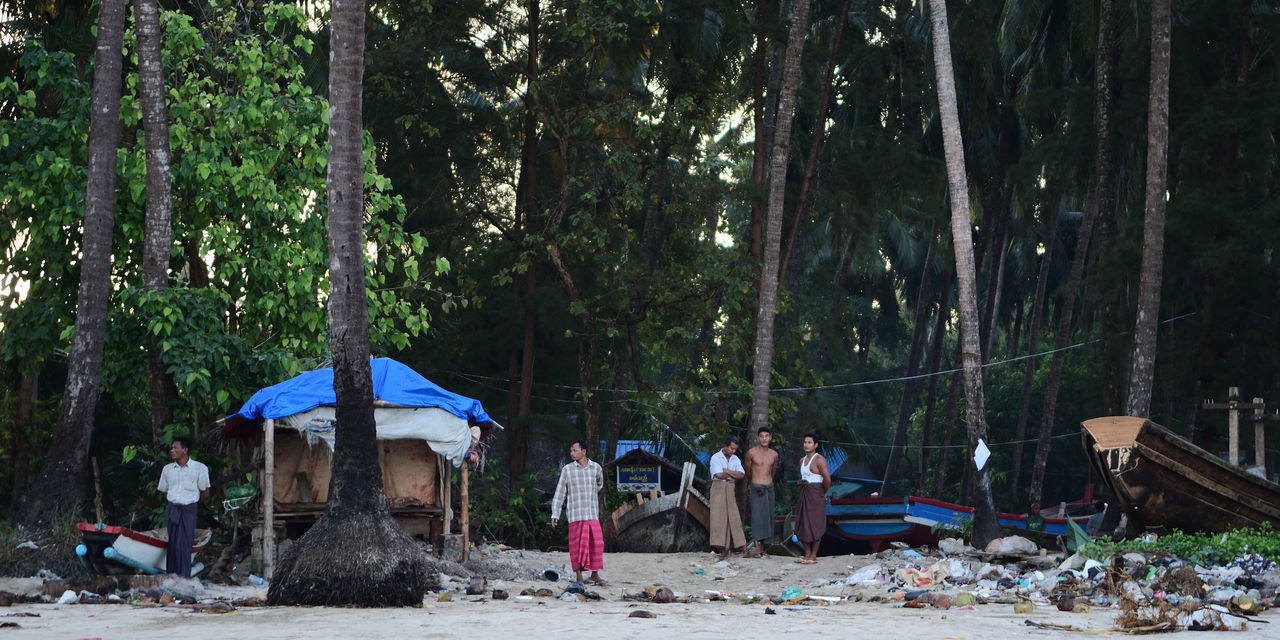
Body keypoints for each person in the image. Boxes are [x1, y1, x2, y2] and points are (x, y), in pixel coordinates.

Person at [550, 441, 606, 586]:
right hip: (576, 514)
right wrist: (555, 514)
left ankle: (595, 574)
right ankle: (579, 577)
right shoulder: (567, 470)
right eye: (571, 451)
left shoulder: (596, 468)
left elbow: (599, 484)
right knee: (576, 547)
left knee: (596, 544)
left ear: (583, 451)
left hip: (592, 513)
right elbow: (560, 493)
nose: (572, 453)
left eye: (575, 450)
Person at [157, 436, 210, 578]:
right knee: (173, 543)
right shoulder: (167, 470)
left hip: (189, 510)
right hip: (173, 508)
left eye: (175, 447)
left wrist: (190, 503)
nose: (172, 450)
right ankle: (171, 577)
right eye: (172, 448)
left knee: (185, 544)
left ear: (185, 450)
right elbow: (165, 492)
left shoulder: (200, 468)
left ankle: (184, 577)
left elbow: (205, 492)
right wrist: (176, 501)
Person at [708, 436, 747, 560]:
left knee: (734, 516)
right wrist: (732, 473)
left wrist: (728, 472)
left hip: (730, 488)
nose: (732, 451)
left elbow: (741, 475)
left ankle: (743, 547)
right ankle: (722, 550)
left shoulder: (736, 459)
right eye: (731, 448)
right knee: (719, 518)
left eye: (735, 449)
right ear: (725, 446)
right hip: (718, 488)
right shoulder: (715, 457)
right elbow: (719, 475)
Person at [794, 433, 830, 565]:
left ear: (815, 445)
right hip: (804, 494)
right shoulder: (801, 461)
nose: (806, 445)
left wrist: (823, 492)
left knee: (816, 523)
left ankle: (814, 555)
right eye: (805, 442)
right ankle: (807, 553)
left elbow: (827, 479)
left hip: (816, 494)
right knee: (802, 522)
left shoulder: (819, 459)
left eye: (809, 442)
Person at [744, 427, 779, 557]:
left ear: (770, 437)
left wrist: (768, 482)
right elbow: (748, 470)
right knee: (757, 517)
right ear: (758, 438)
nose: (764, 438)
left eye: (766, 436)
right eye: (761, 436)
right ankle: (757, 548)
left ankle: (764, 548)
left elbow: (773, 471)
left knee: (768, 517)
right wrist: (754, 481)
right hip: (756, 487)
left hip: (769, 487)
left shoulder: (774, 454)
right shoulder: (751, 453)